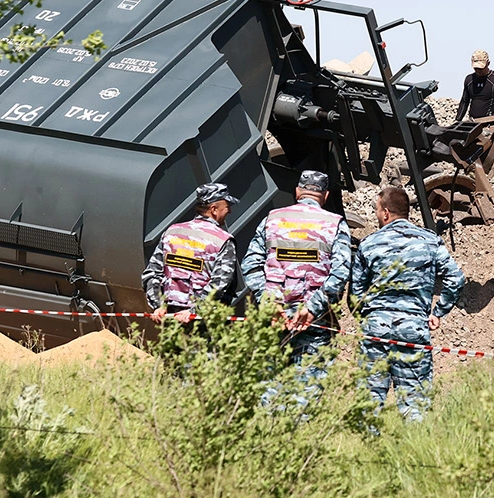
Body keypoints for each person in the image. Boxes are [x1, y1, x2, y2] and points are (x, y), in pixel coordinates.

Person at [352, 186, 465, 422]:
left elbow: (355, 293)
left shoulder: (369, 243)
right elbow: (456, 278)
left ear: (385, 213)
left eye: (376, 210)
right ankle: (412, 455)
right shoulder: (430, 241)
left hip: (375, 330)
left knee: (369, 402)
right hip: (413, 328)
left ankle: (367, 450)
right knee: (415, 404)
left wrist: (369, 317)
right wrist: (438, 311)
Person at [242, 170, 351, 405]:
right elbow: (341, 273)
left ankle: (269, 435)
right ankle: (299, 435)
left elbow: (250, 265)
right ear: (325, 195)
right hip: (314, 320)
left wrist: (268, 302)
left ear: (297, 192)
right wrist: (313, 307)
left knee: (269, 388)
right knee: (308, 391)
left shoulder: (271, 219)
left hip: (273, 318)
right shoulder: (335, 225)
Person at [142, 183, 239, 324]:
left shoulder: (172, 233)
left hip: (169, 319)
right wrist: (194, 311)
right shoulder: (223, 240)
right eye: (227, 206)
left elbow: (151, 274)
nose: (229, 211)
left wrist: (159, 306)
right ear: (214, 209)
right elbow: (220, 284)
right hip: (204, 322)